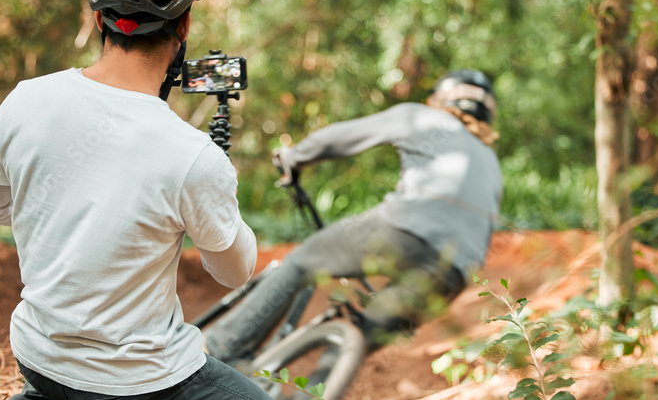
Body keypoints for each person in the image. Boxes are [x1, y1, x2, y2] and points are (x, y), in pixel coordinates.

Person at [0, 0, 313, 400]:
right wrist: (216, 186)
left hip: (38, 351)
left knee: (58, 366)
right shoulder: (190, 155)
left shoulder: (25, 100)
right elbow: (234, 272)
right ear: (182, 30)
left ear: (98, 16)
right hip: (134, 382)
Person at [203, 70, 502, 361]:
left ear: (441, 99)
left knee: (301, 262)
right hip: (453, 273)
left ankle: (218, 348)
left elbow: (340, 138)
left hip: (403, 230)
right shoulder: (492, 163)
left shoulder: (424, 117)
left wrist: (294, 158)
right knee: (355, 343)